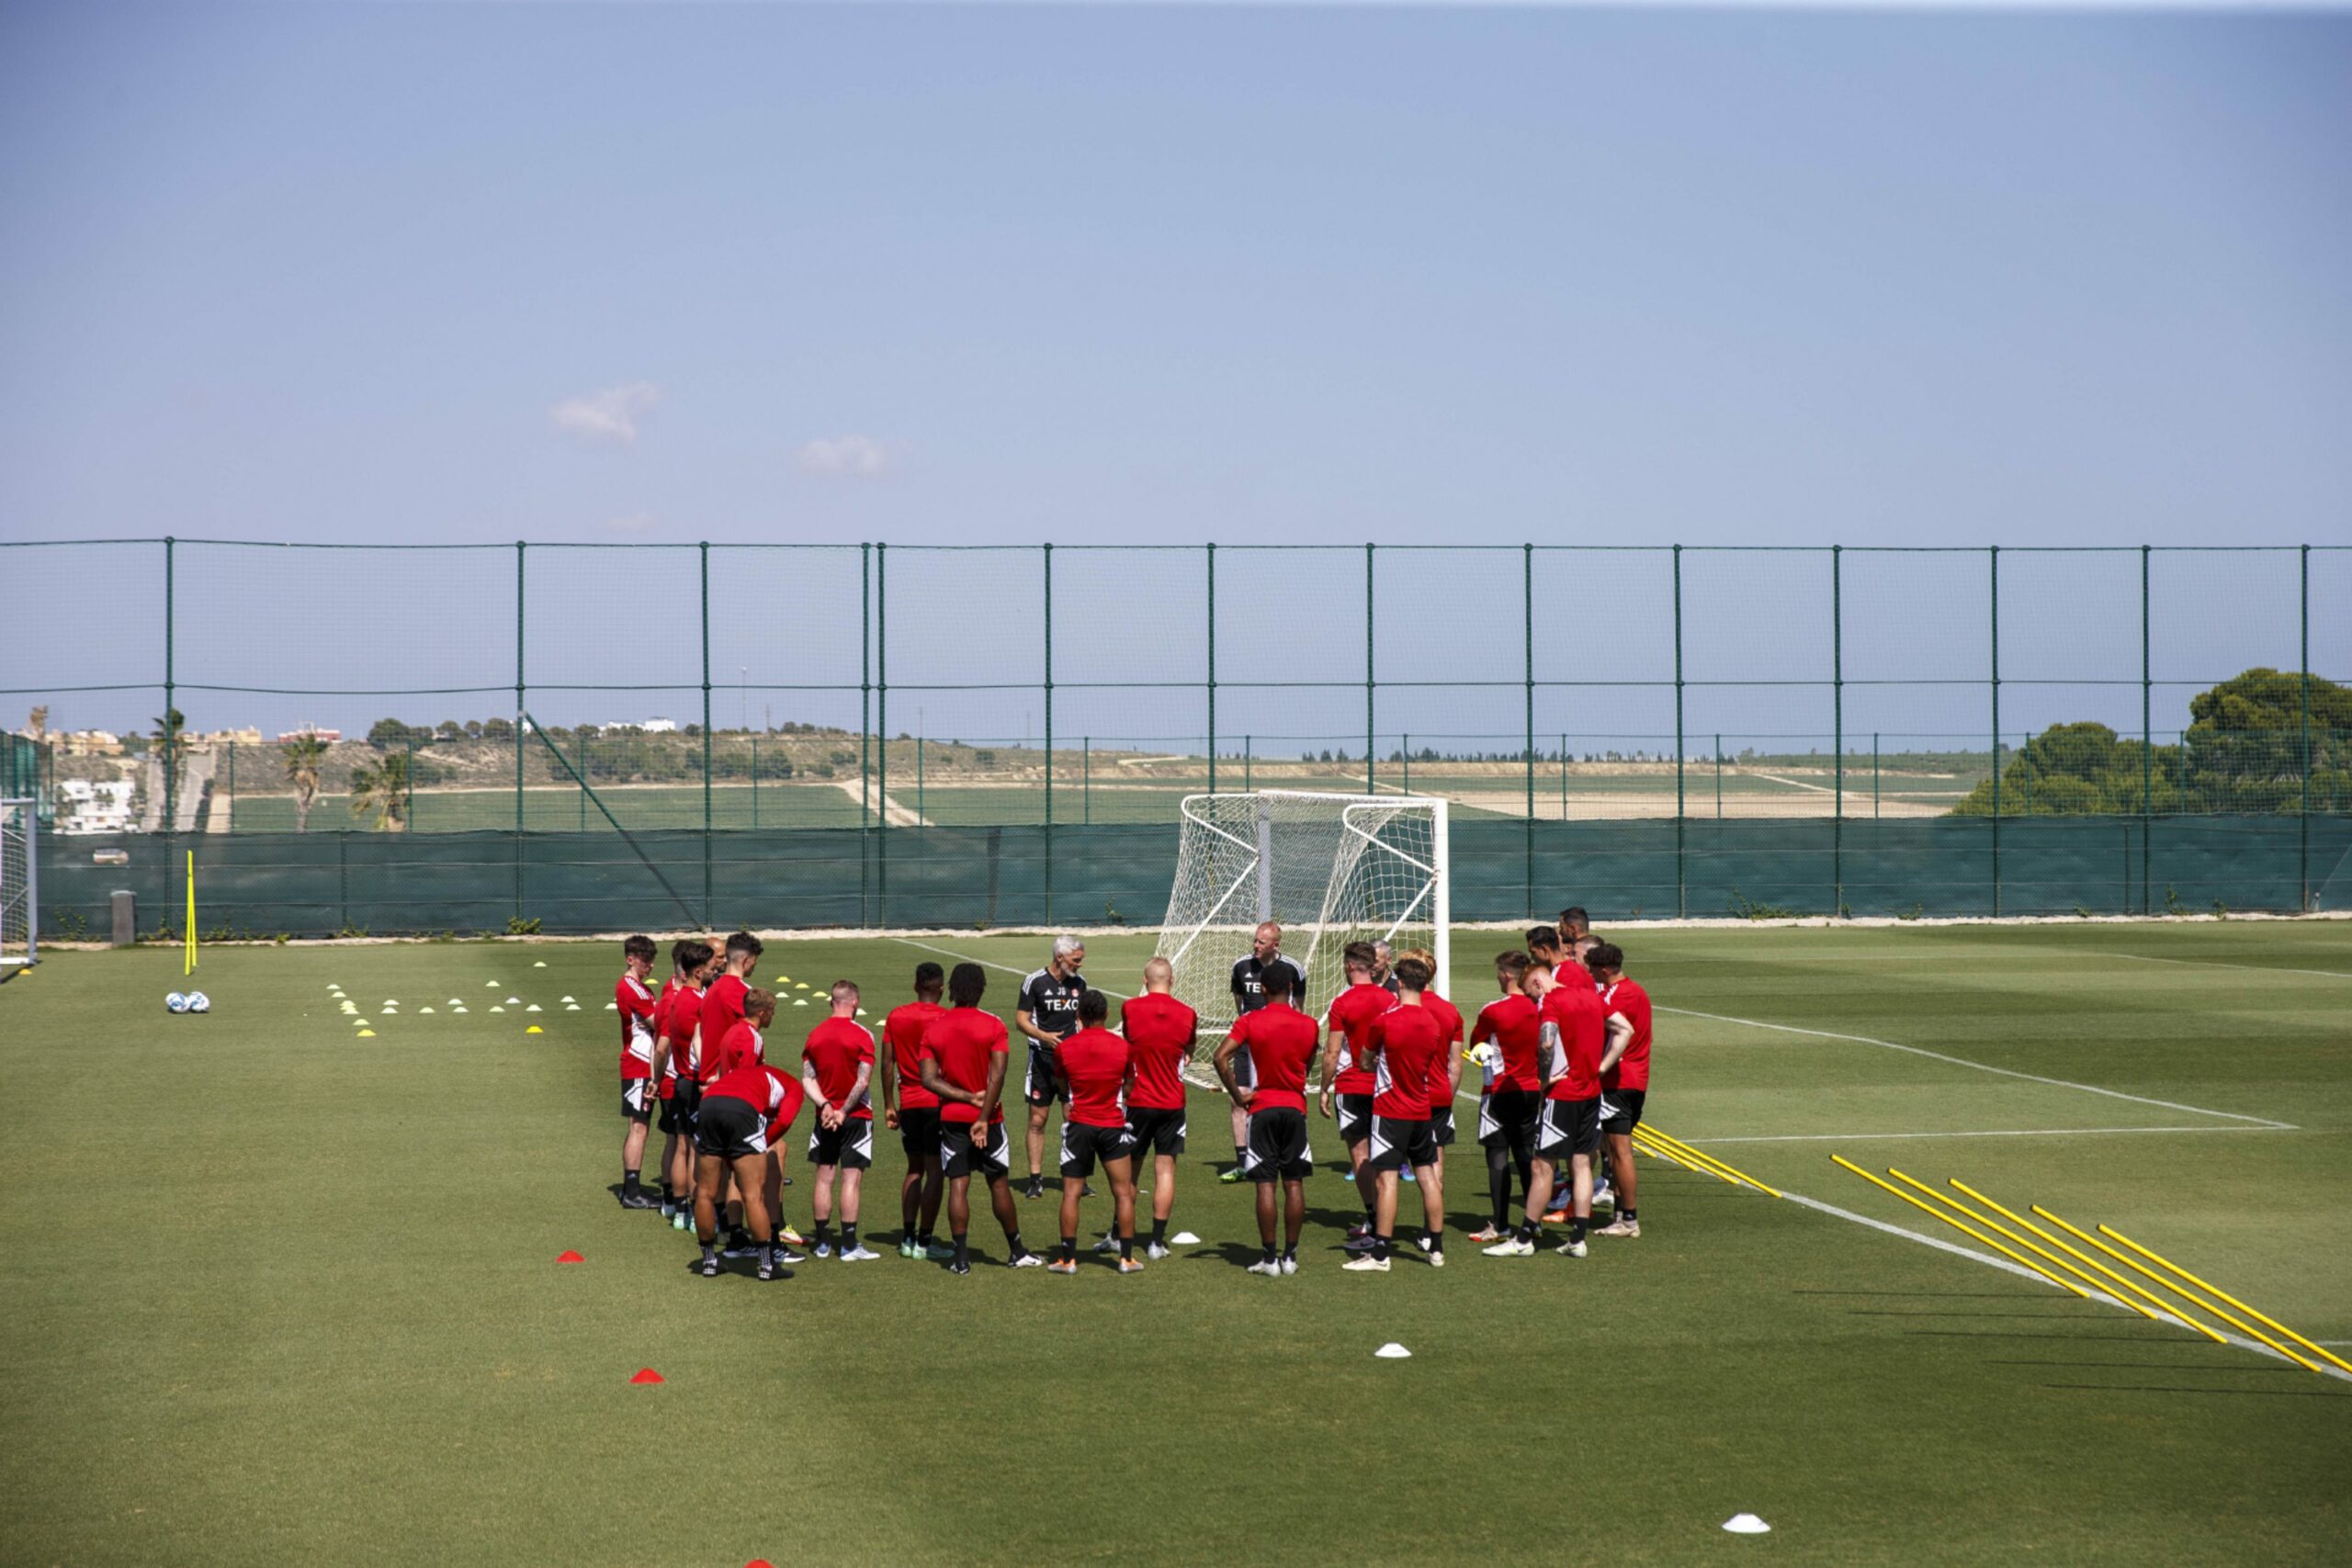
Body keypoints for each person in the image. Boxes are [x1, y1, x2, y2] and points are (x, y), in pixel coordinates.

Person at [1486, 953, 1632, 1259]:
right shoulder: (1592, 997)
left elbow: (1546, 1041)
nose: (1531, 998)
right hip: (1591, 1093)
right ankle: (1577, 1238)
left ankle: (1524, 1238)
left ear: (1538, 981)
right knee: (1581, 1165)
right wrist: (1602, 1067)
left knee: (1542, 1166)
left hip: (1563, 1094)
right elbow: (1624, 1029)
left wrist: (1543, 1080)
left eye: (1530, 991)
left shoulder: (1551, 1001)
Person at [917, 963, 1041, 1274]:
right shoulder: (993, 1025)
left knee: (958, 1184)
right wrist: (983, 1115)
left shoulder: (935, 1027)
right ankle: (1016, 1251)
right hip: (990, 1119)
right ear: (981, 988)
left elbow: (929, 1079)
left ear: (953, 990)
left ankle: (961, 1260)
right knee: (998, 1184)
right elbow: (997, 1077)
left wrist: (962, 1097)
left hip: (951, 1117)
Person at [691, 989, 804, 1281]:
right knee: (753, 1193)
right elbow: (786, 1117)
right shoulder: (789, 1083)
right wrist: (761, 1142)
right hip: (742, 1110)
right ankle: (768, 1265)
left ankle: (709, 1262)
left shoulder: (734, 1036)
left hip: (709, 1102)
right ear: (763, 1013)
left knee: (705, 1191)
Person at [1343, 955, 1448, 1272]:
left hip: (1390, 1111)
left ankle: (1381, 1254)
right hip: (1421, 1109)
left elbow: (1364, 1059)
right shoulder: (1432, 1023)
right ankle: (1436, 1248)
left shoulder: (1386, 1020)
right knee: (1428, 1177)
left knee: (1386, 1181)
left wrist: (1375, 1063)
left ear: (1399, 983)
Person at [1214, 961, 1318, 1276]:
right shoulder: (1309, 1024)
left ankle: (1269, 1258)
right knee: (1294, 1182)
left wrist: (1237, 1095)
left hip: (1262, 1107)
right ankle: (1290, 1256)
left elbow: (1220, 1057)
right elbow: (1308, 1062)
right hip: (1295, 1108)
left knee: (1265, 1185)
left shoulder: (1250, 1021)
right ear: (1290, 988)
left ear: (1261, 988)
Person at [1048, 989, 1145, 1275]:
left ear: (1079, 1016)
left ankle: (1068, 1260)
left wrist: (1069, 1100)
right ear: (1106, 1015)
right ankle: (1126, 1259)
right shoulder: (1124, 1048)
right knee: (1124, 1193)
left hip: (1080, 1125)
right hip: (1112, 1125)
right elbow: (1129, 1086)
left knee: (1071, 1193)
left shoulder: (1064, 1048)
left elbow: (1062, 1084)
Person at [1317, 941, 1394, 1248]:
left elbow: (1332, 1053)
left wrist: (1323, 1088)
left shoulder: (1342, 1002)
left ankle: (1374, 1218)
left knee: (1360, 1156)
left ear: (1350, 966)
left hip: (1351, 1086)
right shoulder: (1390, 998)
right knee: (1385, 1156)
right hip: (1385, 1085)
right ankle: (1387, 1222)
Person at [1120, 956, 1196, 1259]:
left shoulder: (1130, 1008)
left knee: (1129, 1172)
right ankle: (1155, 1241)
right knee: (1165, 1170)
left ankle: (1119, 1234)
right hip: (1172, 1103)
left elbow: (1129, 1040)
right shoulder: (1188, 1014)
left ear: (1144, 979)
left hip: (1138, 1100)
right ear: (1172, 980)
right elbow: (1189, 1049)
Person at [1465, 951, 1544, 1244]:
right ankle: (1531, 1222)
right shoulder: (1539, 1007)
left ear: (1507, 974)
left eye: (1499, 972)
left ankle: (1500, 1224)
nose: (1497, 977)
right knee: (1526, 1156)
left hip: (1498, 1092)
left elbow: (1477, 1046)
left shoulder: (1493, 1010)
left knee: (1497, 1157)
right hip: (1531, 1090)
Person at [802, 980, 880, 1262]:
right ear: (855, 1001)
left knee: (824, 1177)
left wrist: (825, 1106)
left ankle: (822, 1243)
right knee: (851, 1179)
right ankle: (848, 1245)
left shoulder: (816, 1034)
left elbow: (807, 1077)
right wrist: (843, 1111)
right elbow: (863, 1079)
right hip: (856, 1116)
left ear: (831, 1002)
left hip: (823, 1116)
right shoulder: (863, 1034)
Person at [1224, 921, 1306, 1182]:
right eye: (1255, 940)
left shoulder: (1293, 969)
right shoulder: (1241, 966)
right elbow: (1239, 1002)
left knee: (1279, 1099)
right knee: (1239, 1098)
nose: (1256, 945)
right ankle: (1242, 1162)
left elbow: (1299, 1008)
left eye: (1262, 942)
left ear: (1275, 944)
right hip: (1249, 1041)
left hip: (1279, 1044)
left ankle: (1279, 1156)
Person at [878, 963, 951, 1259]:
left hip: (908, 1103)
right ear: (942, 989)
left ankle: (907, 1238)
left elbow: (887, 1064)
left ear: (915, 986)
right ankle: (924, 1240)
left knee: (914, 1169)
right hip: (937, 1103)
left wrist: (889, 1105)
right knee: (936, 1171)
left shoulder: (896, 1016)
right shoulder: (946, 1018)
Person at [1014, 936, 1088, 1201]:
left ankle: (1077, 1176)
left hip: (1072, 1064)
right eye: (1076, 960)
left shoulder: (1080, 984)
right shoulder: (1035, 981)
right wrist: (1042, 1035)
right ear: (1060, 958)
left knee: (1074, 1119)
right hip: (1042, 1061)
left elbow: (1081, 1019)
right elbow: (1020, 1020)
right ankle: (1035, 1179)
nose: (1079, 964)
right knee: (1037, 1120)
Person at [1589, 942, 1652, 1240]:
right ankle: (1620, 1215)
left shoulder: (1613, 995)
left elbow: (1619, 1033)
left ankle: (1629, 1219)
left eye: (1591, 969)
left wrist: (1600, 1067)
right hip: (1637, 1080)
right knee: (1616, 1152)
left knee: (1621, 1152)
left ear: (1603, 970)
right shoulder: (1638, 991)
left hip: (1617, 1081)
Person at [650, 938, 715, 1225]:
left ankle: (679, 1211)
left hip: (680, 1080)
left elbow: (664, 1046)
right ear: (698, 972)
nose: (715, 971)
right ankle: (694, 1212)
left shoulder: (675, 1000)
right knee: (697, 1151)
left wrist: (657, 1077)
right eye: (712, 967)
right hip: (696, 1081)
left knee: (680, 1146)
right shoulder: (699, 1003)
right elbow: (703, 1045)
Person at [1397, 946, 1463, 1197]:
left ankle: (1377, 1228)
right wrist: (1447, 1097)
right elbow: (1455, 1064)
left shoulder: (1398, 1008)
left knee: (1386, 1170)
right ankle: (1431, 1231)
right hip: (1438, 1097)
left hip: (1401, 1099)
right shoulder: (1450, 1011)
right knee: (1435, 1167)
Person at [615, 935, 662, 1208]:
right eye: (645, 961)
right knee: (639, 1126)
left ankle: (632, 1189)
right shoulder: (632, 989)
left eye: (652, 960)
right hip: (638, 1064)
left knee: (640, 1125)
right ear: (630, 959)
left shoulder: (638, 988)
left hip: (641, 1063)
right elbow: (658, 1023)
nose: (650, 966)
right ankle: (631, 1191)